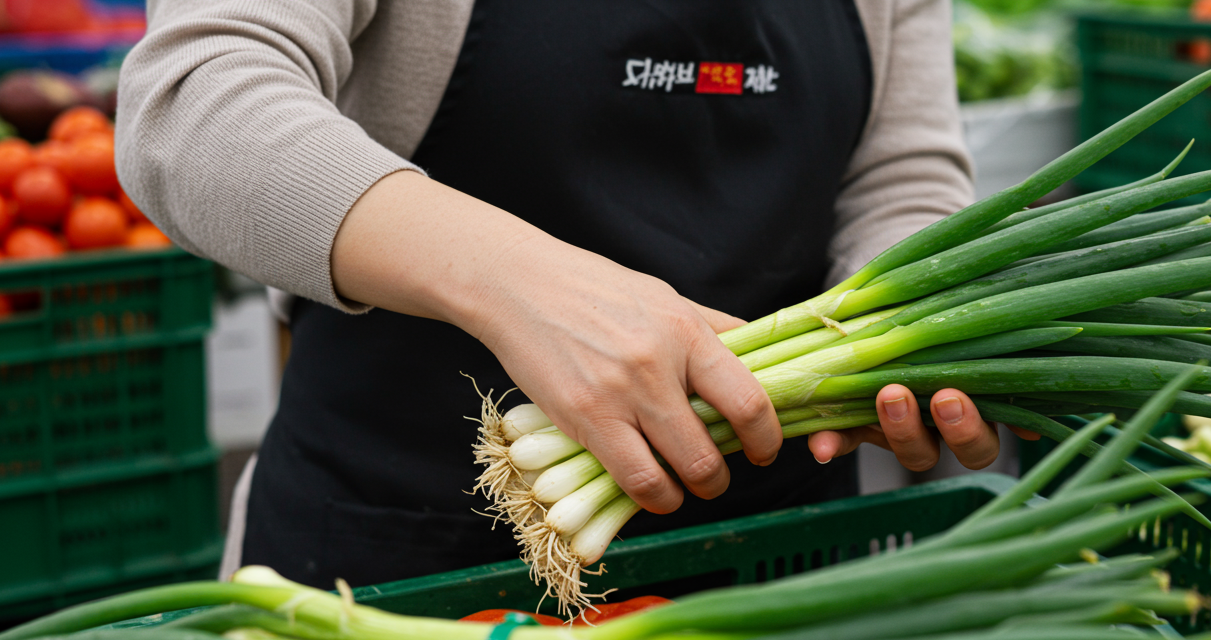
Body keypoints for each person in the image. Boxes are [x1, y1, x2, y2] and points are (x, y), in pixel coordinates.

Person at [117, 0, 1017, 591]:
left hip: (774, 567)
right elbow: (196, 102)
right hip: (401, 558)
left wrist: (912, 330)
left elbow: (900, 174)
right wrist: (524, 286)